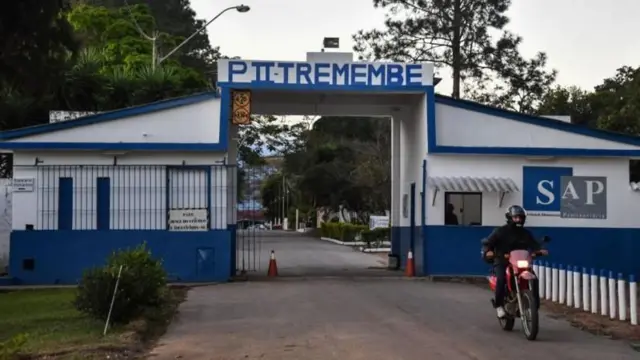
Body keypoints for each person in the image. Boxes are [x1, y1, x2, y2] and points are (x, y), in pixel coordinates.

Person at [482, 205, 548, 318]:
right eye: (515, 217)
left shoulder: (525, 233)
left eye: (520, 218)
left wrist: (539, 250)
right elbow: (488, 243)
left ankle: (534, 306)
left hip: (520, 261)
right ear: (509, 217)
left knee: (534, 278)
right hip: (503, 259)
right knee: (501, 279)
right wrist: (488, 251)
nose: (518, 220)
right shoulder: (500, 231)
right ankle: (499, 306)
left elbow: (533, 244)